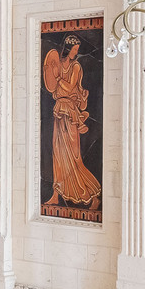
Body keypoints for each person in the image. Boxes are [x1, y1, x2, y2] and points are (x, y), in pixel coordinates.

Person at [42, 36, 101, 209]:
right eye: (74, 50)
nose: (76, 52)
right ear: (68, 49)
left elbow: (69, 87)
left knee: (74, 157)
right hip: (59, 111)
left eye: (77, 50)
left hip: (71, 113)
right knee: (58, 155)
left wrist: (58, 77)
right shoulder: (59, 64)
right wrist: (54, 74)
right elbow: (52, 87)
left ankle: (93, 196)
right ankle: (56, 195)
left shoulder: (76, 66)